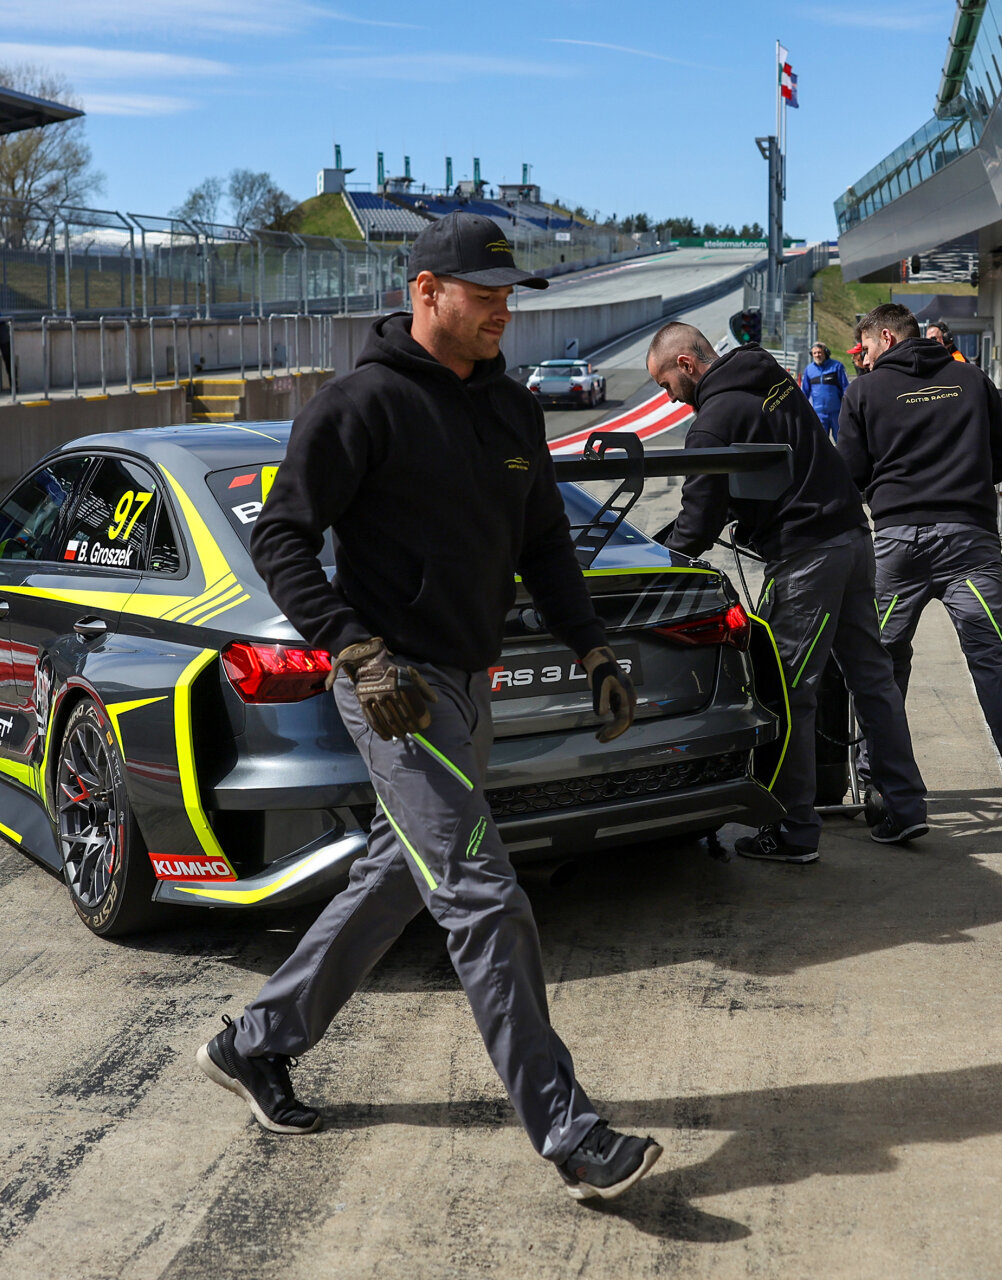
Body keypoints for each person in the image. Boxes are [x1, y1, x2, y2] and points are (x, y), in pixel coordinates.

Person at [203, 212, 660, 1202]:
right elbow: (281, 537)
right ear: (425, 291)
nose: (503, 311)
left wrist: (591, 645)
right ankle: (568, 1130)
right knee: (482, 891)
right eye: (484, 294)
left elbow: (544, 541)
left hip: (466, 680)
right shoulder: (358, 404)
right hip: (393, 688)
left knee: (398, 877)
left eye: (509, 296)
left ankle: (256, 1040)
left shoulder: (512, 409)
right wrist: (353, 646)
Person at [648, 321, 931, 862]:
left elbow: (698, 522)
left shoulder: (712, 421)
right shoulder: (771, 377)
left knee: (788, 693)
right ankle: (905, 807)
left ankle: (794, 829)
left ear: (686, 364)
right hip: (853, 539)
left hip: (805, 559)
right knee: (874, 681)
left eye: (666, 384)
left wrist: (658, 560)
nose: (670, 397)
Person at [839, 305, 1002, 832]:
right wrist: (960, 483)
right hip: (969, 542)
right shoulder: (972, 379)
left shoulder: (864, 392)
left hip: (897, 546)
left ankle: (883, 788)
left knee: (881, 666)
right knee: (993, 664)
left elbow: (850, 473)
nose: (864, 358)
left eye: (866, 348)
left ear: (886, 336)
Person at [799, 342, 850, 441]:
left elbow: (846, 388)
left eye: (819, 352)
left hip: (836, 413)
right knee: (821, 442)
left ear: (826, 352)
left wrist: (847, 408)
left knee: (841, 441)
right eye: (814, 353)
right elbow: (805, 392)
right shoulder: (809, 369)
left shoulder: (837, 366)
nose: (817, 355)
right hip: (819, 414)